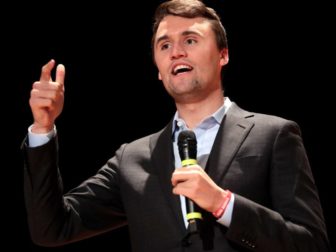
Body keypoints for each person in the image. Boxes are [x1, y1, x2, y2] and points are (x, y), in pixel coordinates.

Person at [22, 0, 331, 251]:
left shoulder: (274, 135)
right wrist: (42, 128)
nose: (177, 52)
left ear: (223, 55)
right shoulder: (132, 158)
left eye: (191, 40)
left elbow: (311, 244)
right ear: (158, 69)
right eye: (165, 45)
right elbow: (52, 228)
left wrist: (224, 205)